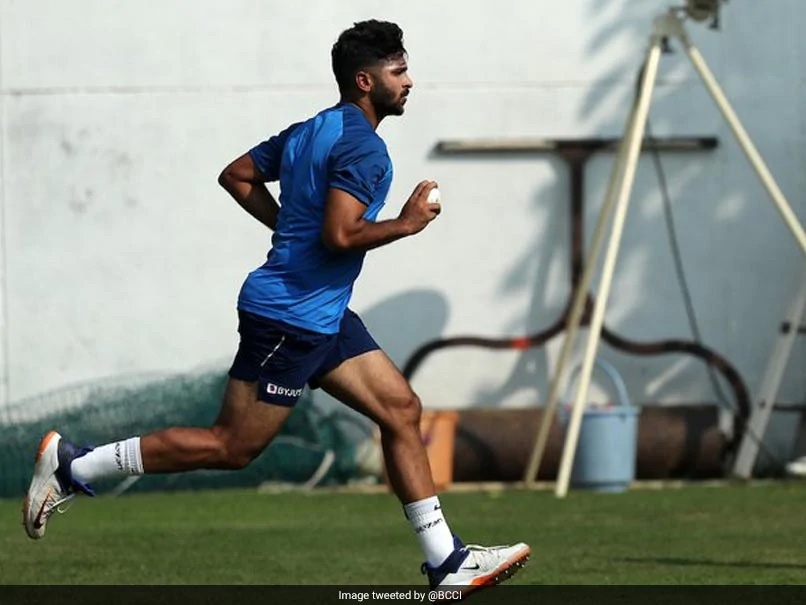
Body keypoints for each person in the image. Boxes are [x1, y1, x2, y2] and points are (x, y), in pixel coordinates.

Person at [23, 19, 530, 590]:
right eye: (399, 71)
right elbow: (340, 236)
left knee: (401, 410)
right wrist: (406, 225)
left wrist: (290, 228)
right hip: (290, 319)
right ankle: (74, 464)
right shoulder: (366, 149)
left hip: (322, 313)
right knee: (232, 447)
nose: (409, 81)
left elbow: (236, 175)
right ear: (365, 81)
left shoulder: (312, 129)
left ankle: (446, 562)